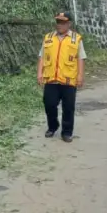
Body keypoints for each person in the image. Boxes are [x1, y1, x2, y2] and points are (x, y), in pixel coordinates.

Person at [38, 12, 87, 143]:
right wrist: (39, 73)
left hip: (68, 79)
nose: (59, 25)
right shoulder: (48, 38)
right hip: (51, 79)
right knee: (49, 104)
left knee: (68, 107)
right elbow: (42, 56)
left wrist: (80, 76)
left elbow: (81, 58)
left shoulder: (76, 39)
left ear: (68, 24)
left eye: (62, 22)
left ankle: (67, 132)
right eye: (58, 22)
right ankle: (53, 126)